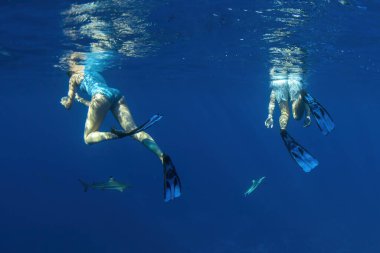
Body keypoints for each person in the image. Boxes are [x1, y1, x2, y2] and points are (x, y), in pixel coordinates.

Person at [60, 53, 181, 201]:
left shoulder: (73, 78)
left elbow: (71, 105)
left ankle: (117, 135)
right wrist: (84, 101)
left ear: (70, 71)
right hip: (115, 93)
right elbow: (101, 101)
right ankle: (161, 156)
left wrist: (65, 101)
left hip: (100, 97)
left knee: (87, 139)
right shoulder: (93, 70)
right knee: (135, 130)